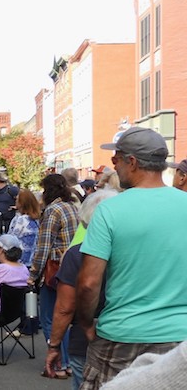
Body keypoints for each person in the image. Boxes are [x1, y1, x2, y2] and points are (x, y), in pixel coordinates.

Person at [76, 127, 187, 389]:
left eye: (116, 161)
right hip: (179, 337)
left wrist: (86, 323)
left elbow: (89, 282)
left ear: (132, 162)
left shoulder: (108, 210)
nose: (114, 168)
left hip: (122, 336)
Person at [44, 189, 117, 388]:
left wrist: (54, 345)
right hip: (130, 335)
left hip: (88, 337)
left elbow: (65, 308)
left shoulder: (77, 254)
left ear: (85, 221)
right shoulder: (136, 252)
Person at [29, 173, 79, 379]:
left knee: (50, 318)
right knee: (65, 318)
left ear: (47, 191)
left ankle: (59, 363)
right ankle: (68, 364)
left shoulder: (52, 210)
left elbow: (44, 246)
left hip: (55, 267)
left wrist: (33, 274)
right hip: (72, 266)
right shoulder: (72, 207)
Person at [8, 188, 41, 268]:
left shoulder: (21, 219)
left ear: (21, 203)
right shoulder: (36, 219)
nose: (15, 201)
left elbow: (11, 239)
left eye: (17, 199)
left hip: (18, 260)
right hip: (31, 259)